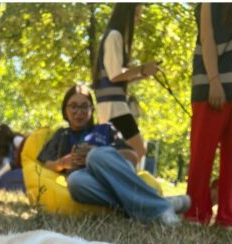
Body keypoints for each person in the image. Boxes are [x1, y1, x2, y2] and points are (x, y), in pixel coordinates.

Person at [38, 84, 188, 224]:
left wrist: (96, 152)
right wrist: (64, 163)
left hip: (117, 175)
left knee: (95, 156)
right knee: (75, 181)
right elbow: (44, 160)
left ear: (92, 110)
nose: (79, 112)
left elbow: (133, 157)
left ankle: (158, 208)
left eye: (84, 106)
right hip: (88, 181)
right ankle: (161, 204)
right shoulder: (61, 135)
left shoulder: (106, 129)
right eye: (74, 107)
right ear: (65, 110)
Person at [184, 3, 232, 228]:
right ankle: (195, 213)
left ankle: (227, 218)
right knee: (202, 154)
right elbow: (206, 36)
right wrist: (214, 81)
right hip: (211, 88)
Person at [93, 3, 160, 161]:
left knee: (121, 152)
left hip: (109, 108)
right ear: (127, 14)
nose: (138, 19)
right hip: (115, 109)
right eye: (137, 15)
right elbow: (115, 75)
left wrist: (143, 74)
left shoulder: (113, 36)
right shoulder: (115, 36)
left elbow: (116, 77)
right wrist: (142, 69)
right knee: (137, 150)